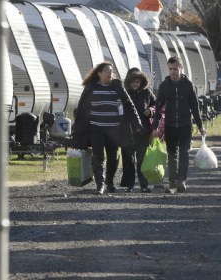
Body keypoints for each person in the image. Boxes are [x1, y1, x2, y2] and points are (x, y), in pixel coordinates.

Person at [72, 62, 142, 195]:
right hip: (96, 128)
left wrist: (137, 123)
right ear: (99, 73)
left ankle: (109, 181)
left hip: (113, 129)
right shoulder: (91, 87)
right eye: (106, 71)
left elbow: (129, 104)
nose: (109, 73)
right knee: (98, 156)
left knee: (113, 156)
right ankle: (100, 185)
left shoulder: (117, 86)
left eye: (110, 71)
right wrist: (78, 127)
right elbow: (82, 108)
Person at [153, 56, 206, 194]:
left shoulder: (188, 85)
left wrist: (200, 126)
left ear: (181, 68)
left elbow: (195, 107)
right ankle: (172, 184)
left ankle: (181, 180)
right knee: (171, 155)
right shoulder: (165, 86)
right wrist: (154, 128)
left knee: (184, 153)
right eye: (170, 69)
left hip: (185, 125)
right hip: (170, 126)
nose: (172, 72)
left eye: (175, 68)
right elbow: (158, 107)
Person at [120, 68, 156, 193]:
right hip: (127, 132)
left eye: (137, 82)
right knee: (128, 160)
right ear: (128, 82)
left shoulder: (147, 92)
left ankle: (144, 185)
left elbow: (156, 104)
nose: (135, 84)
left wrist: (151, 111)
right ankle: (129, 185)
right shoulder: (124, 93)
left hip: (143, 132)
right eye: (133, 82)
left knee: (142, 159)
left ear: (141, 82)